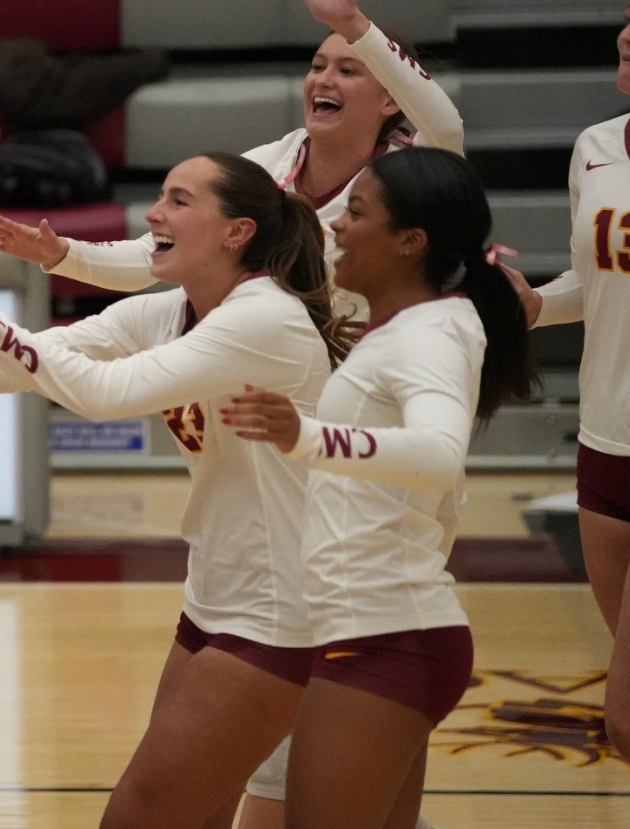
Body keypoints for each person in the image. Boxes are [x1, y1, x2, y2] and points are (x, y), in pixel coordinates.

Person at [0, 152, 350, 828]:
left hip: (280, 609)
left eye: (179, 201)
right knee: (196, 815)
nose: (154, 213)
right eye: (159, 195)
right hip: (215, 596)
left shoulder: (262, 319)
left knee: (136, 818)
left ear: (235, 231)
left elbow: (101, 394)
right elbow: (14, 369)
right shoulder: (171, 311)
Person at [222, 148, 535, 829]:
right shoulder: (400, 327)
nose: (335, 224)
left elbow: (438, 453)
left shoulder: (430, 335)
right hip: (379, 630)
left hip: (389, 634)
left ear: (409, 241)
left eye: (356, 212)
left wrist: (302, 436)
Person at [0, 0, 463, 324]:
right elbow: (155, 255)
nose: (323, 80)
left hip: (379, 369)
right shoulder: (267, 167)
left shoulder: (414, 168)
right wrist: (62, 253)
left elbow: (446, 125)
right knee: (140, 320)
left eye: (348, 69)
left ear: (389, 101)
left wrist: (353, 25)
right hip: (283, 369)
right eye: (317, 67)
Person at [508, 3, 630, 752]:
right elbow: (595, 283)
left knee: (623, 715)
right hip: (604, 437)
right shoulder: (594, 147)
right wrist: (528, 306)